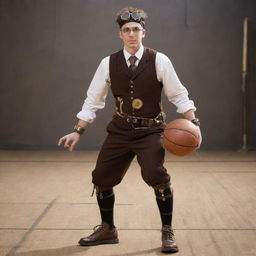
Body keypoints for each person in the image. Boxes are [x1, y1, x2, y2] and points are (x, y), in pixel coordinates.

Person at [58, 7, 201, 253]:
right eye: (126, 30)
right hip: (120, 130)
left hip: (151, 131)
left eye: (136, 29)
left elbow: (179, 95)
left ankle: (167, 231)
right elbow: (93, 100)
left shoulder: (159, 60)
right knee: (101, 177)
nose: (132, 34)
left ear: (143, 32)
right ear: (120, 35)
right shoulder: (108, 63)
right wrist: (77, 130)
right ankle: (107, 229)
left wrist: (194, 124)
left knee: (156, 176)